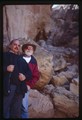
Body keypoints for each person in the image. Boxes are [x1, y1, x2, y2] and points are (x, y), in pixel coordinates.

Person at [3, 39, 32, 118]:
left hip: (19, 88)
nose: (17, 47)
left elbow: (30, 73)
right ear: (10, 45)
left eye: (19, 45)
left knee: (16, 113)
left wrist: (25, 76)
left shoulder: (21, 59)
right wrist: (6, 68)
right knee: (4, 110)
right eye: (15, 44)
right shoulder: (4, 55)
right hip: (8, 86)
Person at [21, 43, 40, 118]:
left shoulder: (34, 62)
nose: (29, 49)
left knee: (24, 107)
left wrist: (29, 85)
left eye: (31, 48)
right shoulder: (18, 58)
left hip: (26, 86)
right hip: (15, 85)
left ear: (33, 51)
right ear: (24, 49)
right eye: (27, 48)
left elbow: (36, 76)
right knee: (12, 105)